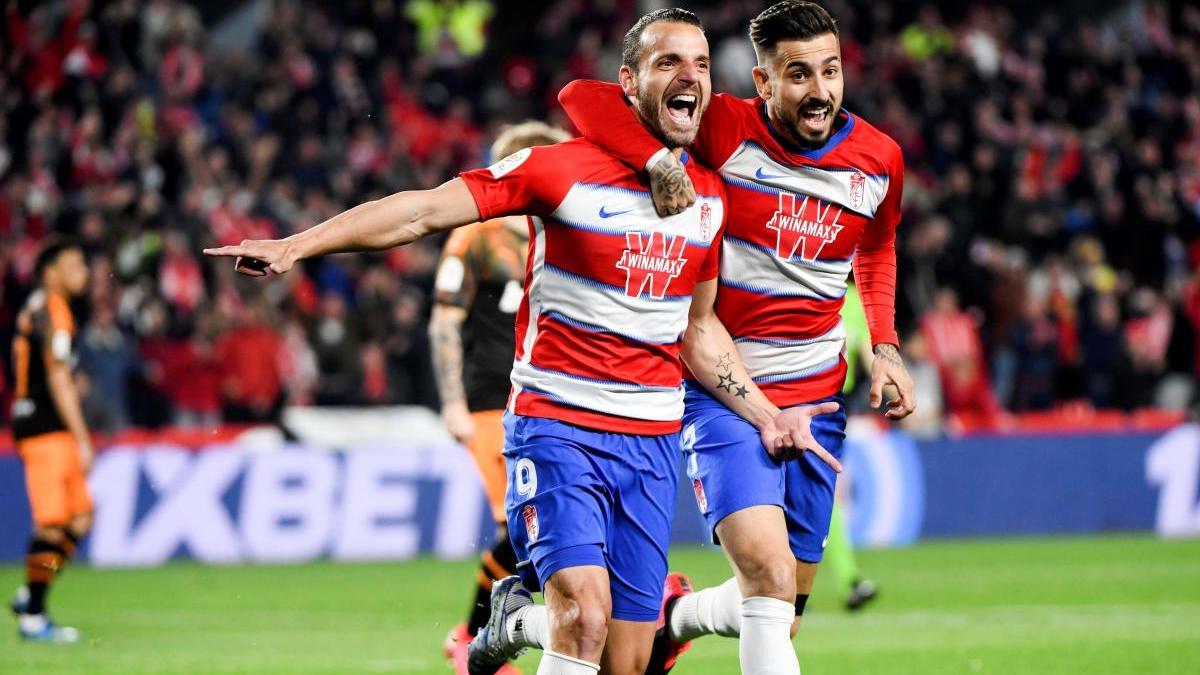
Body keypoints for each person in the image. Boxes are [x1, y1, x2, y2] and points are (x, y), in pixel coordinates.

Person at [207, 12, 838, 674]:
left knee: (627, 658)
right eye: (668, 63)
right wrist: (296, 244)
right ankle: (536, 617)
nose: (690, 77)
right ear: (628, 82)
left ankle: (515, 620)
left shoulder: (706, 196)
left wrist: (765, 415)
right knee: (583, 615)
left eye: (702, 64)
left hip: (650, 441)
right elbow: (423, 209)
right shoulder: (557, 170)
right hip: (558, 425)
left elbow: (700, 328)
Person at [556, 2, 916, 673]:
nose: (820, 91)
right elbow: (580, 98)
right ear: (763, 82)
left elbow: (878, 244)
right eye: (799, 75)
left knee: (782, 612)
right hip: (722, 393)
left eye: (831, 71)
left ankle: (677, 617)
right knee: (770, 576)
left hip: (819, 400)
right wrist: (655, 160)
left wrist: (886, 347)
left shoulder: (879, 159)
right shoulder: (723, 127)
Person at [433, 120, 572, 675]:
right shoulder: (478, 236)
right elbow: (444, 322)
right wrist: (451, 405)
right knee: (515, 527)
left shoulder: (563, 231)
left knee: (541, 526)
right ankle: (469, 637)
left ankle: (486, 632)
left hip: (553, 394)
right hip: (492, 398)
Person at [9, 238, 94, 644]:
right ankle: (34, 617)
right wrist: (83, 438)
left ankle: (32, 592)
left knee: (80, 519)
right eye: (74, 265)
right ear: (50, 272)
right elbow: (58, 378)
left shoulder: (37, 308)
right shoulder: (54, 312)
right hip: (46, 427)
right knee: (53, 522)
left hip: (44, 423)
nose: (85, 272)